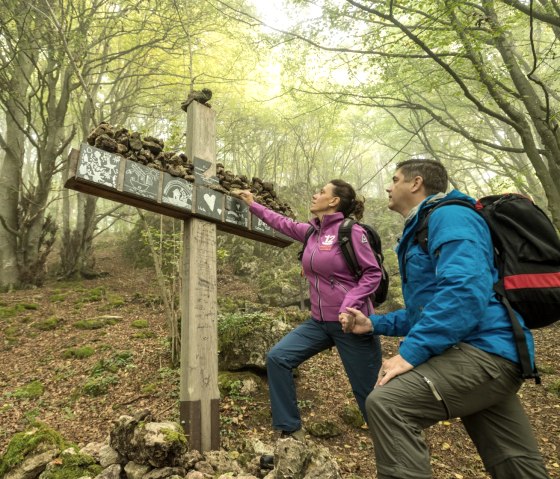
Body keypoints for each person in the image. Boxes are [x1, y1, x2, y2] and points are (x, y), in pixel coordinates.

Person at [340, 159, 550, 479]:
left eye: (394, 179)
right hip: (488, 353)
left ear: (416, 183)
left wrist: (411, 353)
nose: (388, 186)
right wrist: (373, 323)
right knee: (515, 461)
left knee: (388, 403)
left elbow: (464, 291)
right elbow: (428, 311)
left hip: (485, 352)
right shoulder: (427, 224)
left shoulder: (450, 216)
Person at [238, 180, 383, 438]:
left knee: (370, 395)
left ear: (334, 201)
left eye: (321, 192)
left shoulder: (351, 232)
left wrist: (348, 304)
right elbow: (281, 222)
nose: (315, 195)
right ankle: (290, 433)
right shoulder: (311, 233)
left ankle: (394, 449)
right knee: (278, 358)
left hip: (353, 323)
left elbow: (372, 274)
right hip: (319, 323)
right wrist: (252, 205)